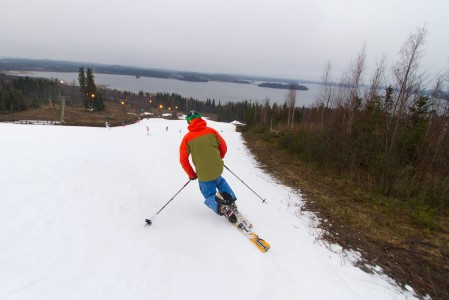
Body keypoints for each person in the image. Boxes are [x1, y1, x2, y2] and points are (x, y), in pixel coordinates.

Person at [179, 110, 238, 223]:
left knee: (209, 193)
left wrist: (192, 174)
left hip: (204, 174)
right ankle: (231, 202)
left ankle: (221, 207)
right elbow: (223, 147)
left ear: (189, 122)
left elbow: (183, 160)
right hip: (217, 168)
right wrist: (218, 159)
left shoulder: (187, 138)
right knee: (220, 182)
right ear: (200, 119)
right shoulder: (212, 131)